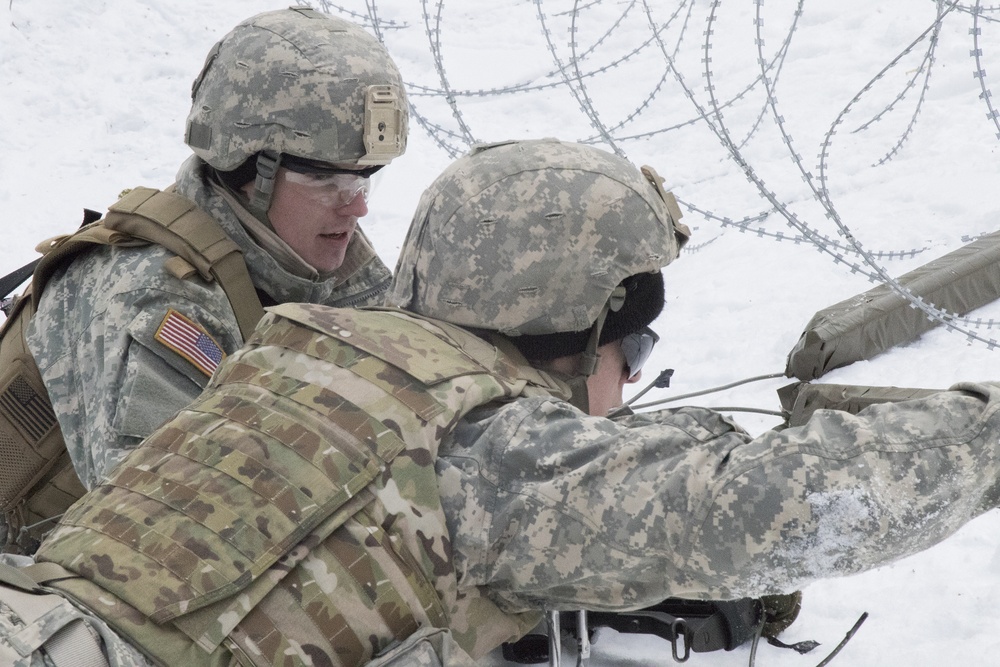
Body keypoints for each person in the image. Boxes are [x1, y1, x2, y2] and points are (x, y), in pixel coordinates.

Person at [4, 138, 1000, 667]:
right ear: (575, 332)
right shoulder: (488, 455)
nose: (637, 374)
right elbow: (779, 504)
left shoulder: (301, 348)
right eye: (635, 344)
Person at [22, 6, 408, 493]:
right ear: (247, 172)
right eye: (323, 177)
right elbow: (158, 527)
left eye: (364, 179)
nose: (356, 208)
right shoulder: (154, 299)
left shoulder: (312, 256)